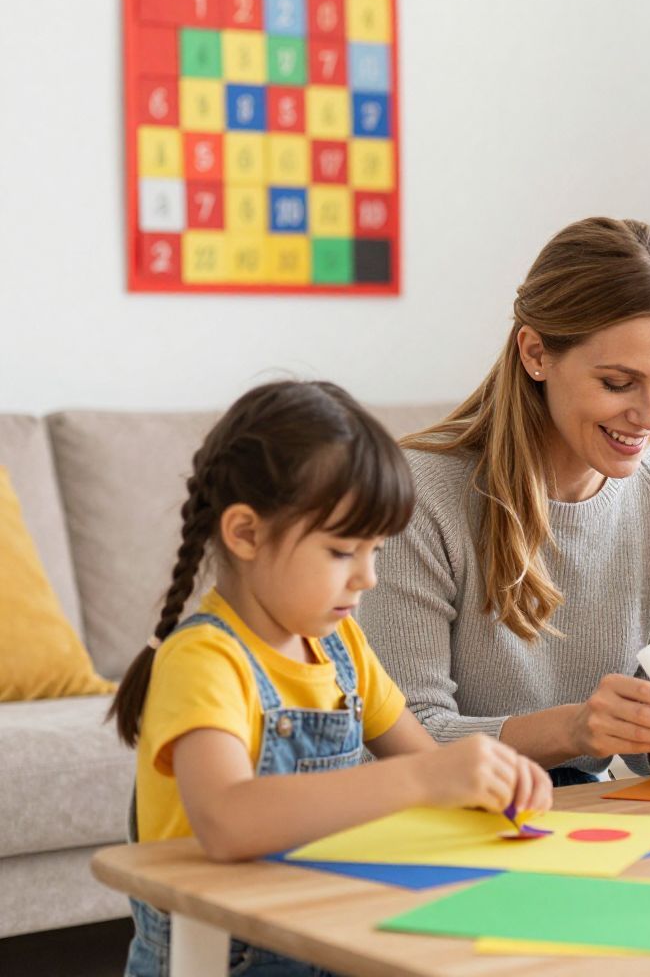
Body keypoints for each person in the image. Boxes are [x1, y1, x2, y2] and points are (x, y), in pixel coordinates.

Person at [108, 381, 550, 977]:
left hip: (323, 931)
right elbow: (227, 821)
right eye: (344, 551)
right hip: (219, 958)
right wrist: (425, 778)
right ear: (246, 534)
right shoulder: (204, 659)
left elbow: (428, 765)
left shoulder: (340, 647)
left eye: (375, 550)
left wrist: (490, 784)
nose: (367, 577)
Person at [359, 218, 650, 785]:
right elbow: (405, 736)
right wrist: (575, 731)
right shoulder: (419, 494)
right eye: (618, 382)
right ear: (535, 353)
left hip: (576, 817)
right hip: (437, 813)